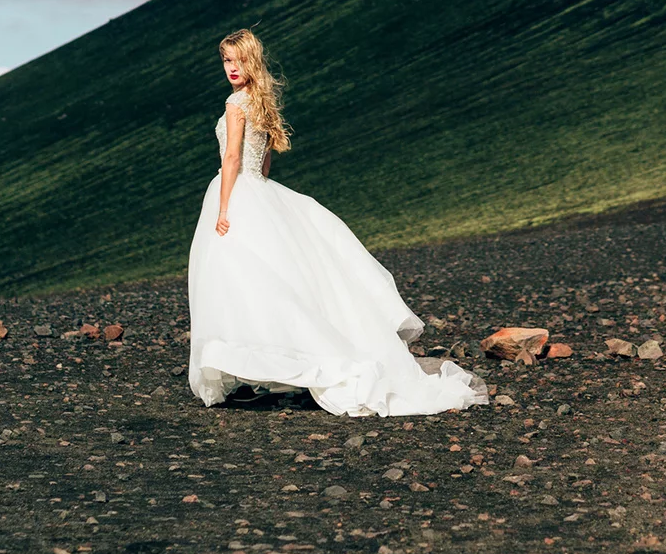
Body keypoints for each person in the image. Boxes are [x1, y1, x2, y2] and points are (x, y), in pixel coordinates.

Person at [186, 28, 491, 417]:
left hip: (237, 193)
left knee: (241, 281)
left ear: (252, 62)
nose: (231, 67)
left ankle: (253, 367)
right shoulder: (262, 103)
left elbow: (232, 159)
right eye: (226, 60)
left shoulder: (235, 104)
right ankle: (258, 369)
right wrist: (257, 189)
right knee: (274, 282)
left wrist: (225, 208)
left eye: (238, 59)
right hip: (261, 192)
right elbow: (263, 162)